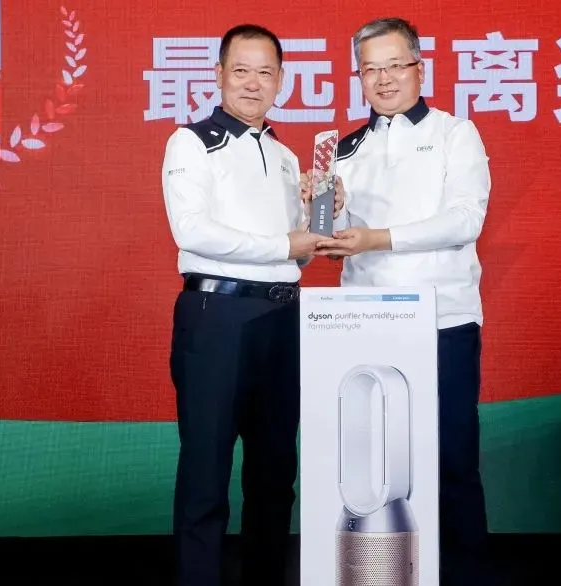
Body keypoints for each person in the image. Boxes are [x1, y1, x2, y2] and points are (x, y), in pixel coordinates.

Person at [304, 16, 494, 586]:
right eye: (370, 70)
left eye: (394, 66)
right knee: (370, 464)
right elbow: (329, 242)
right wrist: (326, 209)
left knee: (452, 460)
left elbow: (465, 220)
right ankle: (378, 575)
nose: (383, 79)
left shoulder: (455, 133)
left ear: (419, 68)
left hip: (442, 320)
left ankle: (465, 575)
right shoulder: (343, 148)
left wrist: (379, 237)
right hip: (366, 322)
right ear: (359, 77)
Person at [160, 23, 339, 586]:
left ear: (281, 80)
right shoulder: (191, 142)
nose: (253, 83)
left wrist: (321, 215)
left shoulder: (287, 157)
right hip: (218, 316)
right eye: (241, 71)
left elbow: (301, 249)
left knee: (275, 472)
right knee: (206, 469)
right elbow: (192, 231)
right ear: (218, 75)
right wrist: (286, 244)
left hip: (283, 318)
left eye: (266, 73)